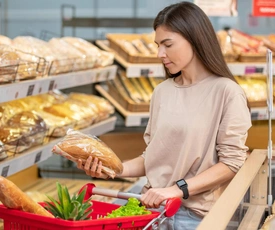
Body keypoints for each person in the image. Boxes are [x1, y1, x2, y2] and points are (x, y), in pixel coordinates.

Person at [77, 2, 251, 229]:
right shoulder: (163, 91)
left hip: (192, 218)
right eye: (158, 45)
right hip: (151, 211)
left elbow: (231, 163)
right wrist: (114, 169)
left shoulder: (227, 92)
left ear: (195, 39)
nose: (160, 53)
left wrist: (177, 189)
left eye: (167, 44)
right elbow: (153, 158)